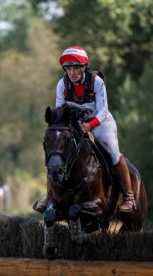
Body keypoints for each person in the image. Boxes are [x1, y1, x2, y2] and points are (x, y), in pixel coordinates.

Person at [34, 46, 135, 213]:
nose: (71, 73)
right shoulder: (62, 84)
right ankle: (51, 196)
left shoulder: (97, 82)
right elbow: (61, 113)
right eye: (68, 69)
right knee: (57, 152)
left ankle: (129, 197)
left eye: (75, 68)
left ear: (83, 68)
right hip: (77, 123)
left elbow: (104, 110)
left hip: (101, 122)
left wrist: (90, 125)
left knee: (114, 153)